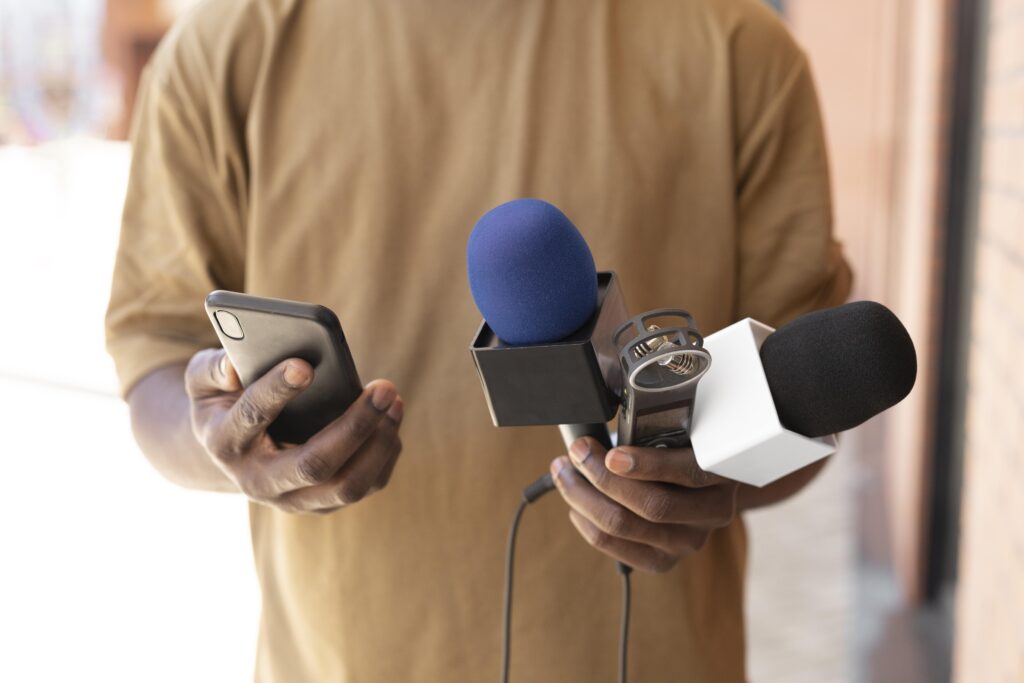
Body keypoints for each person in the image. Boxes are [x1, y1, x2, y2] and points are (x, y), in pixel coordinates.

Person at [106, 0, 851, 680]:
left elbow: (812, 391)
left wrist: (713, 476)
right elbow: (158, 366)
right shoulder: (220, 52)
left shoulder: (739, 49)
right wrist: (227, 440)